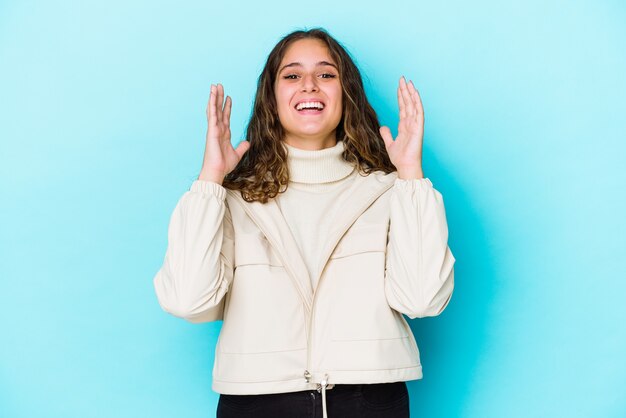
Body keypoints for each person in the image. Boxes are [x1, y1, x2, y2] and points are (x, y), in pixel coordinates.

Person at [153, 27, 455, 418]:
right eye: (292, 75)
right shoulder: (231, 198)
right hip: (257, 402)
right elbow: (188, 301)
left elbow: (422, 299)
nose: (309, 86)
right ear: (271, 96)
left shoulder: (391, 190)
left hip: (369, 402)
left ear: (345, 92)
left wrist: (411, 175)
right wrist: (210, 179)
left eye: (326, 74)